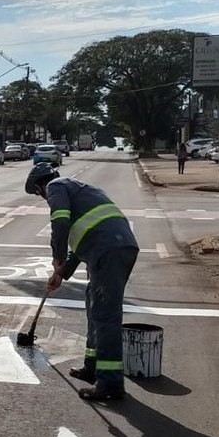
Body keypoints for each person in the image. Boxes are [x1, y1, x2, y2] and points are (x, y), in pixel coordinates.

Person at [26, 163, 140, 402]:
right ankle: (93, 367)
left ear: (40, 187)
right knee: (94, 307)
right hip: (114, 247)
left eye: (39, 194)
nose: (43, 197)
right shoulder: (82, 192)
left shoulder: (56, 186)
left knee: (106, 316)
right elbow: (79, 247)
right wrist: (61, 273)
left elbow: (60, 222)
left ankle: (110, 384)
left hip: (108, 250)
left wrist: (56, 256)